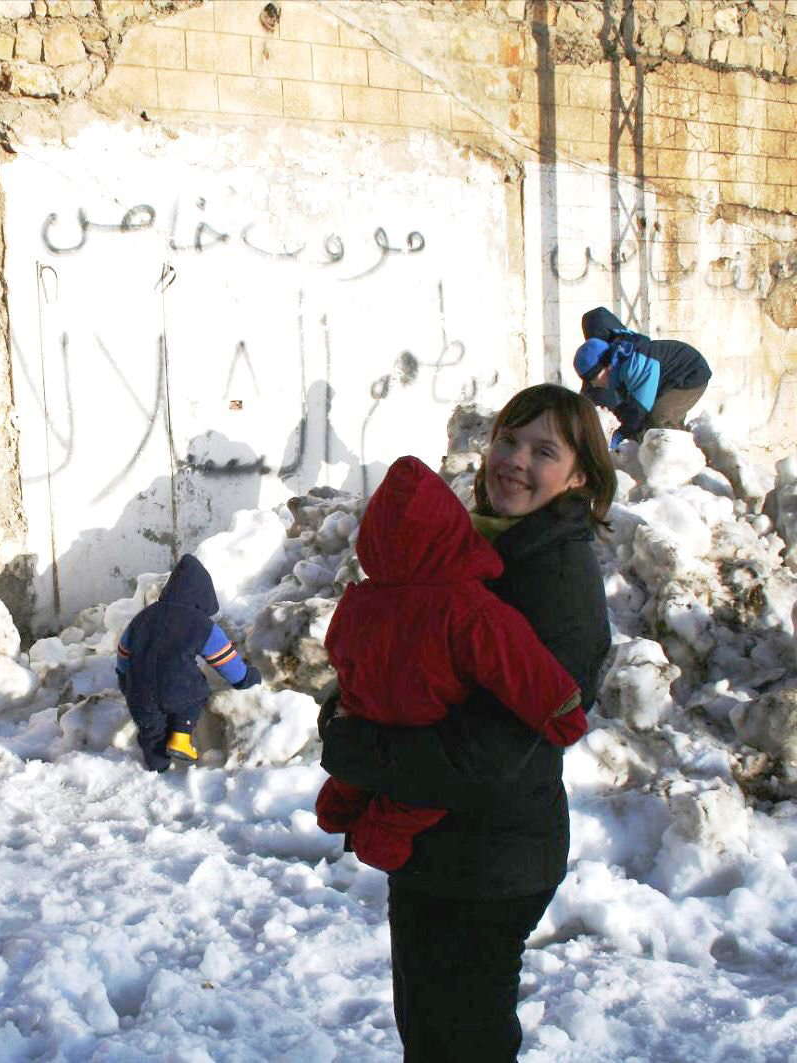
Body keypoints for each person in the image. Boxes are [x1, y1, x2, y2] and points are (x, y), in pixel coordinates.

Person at [319, 383, 616, 1063]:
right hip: (442, 852)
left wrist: (351, 744)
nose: (513, 460)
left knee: (460, 1045)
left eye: (543, 450)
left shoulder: (555, 581)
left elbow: (489, 753)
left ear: (579, 476)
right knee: (431, 1033)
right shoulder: (469, 553)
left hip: (488, 859)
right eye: (508, 440)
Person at [315, 454, 586, 873]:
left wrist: (349, 702)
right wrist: (562, 709)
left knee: (357, 774)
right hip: (425, 726)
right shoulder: (468, 607)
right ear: (451, 533)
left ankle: (341, 800)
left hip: (365, 717)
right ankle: (380, 836)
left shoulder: (363, 599)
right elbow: (519, 664)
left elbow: (338, 649)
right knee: (412, 800)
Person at [116, 553, 261, 772]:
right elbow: (224, 659)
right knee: (197, 693)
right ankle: (181, 737)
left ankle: (157, 768)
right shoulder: (200, 624)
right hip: (178, 689)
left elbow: (124, 652)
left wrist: (124, 680)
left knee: (151, 732)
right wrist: (245, 678)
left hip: (139, 692)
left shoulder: (143, 617)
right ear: (203, 595)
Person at [574, 305, 711, 448]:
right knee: (656, 424)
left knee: (658, 419)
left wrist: (622, 434)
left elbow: (640, 406)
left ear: (604, 368)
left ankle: (679, 460)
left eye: (594, 380)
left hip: (690, 375)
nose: (595, 385)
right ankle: (687, 453)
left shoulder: (633, 364)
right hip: (670, 380)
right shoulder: (619, 364)